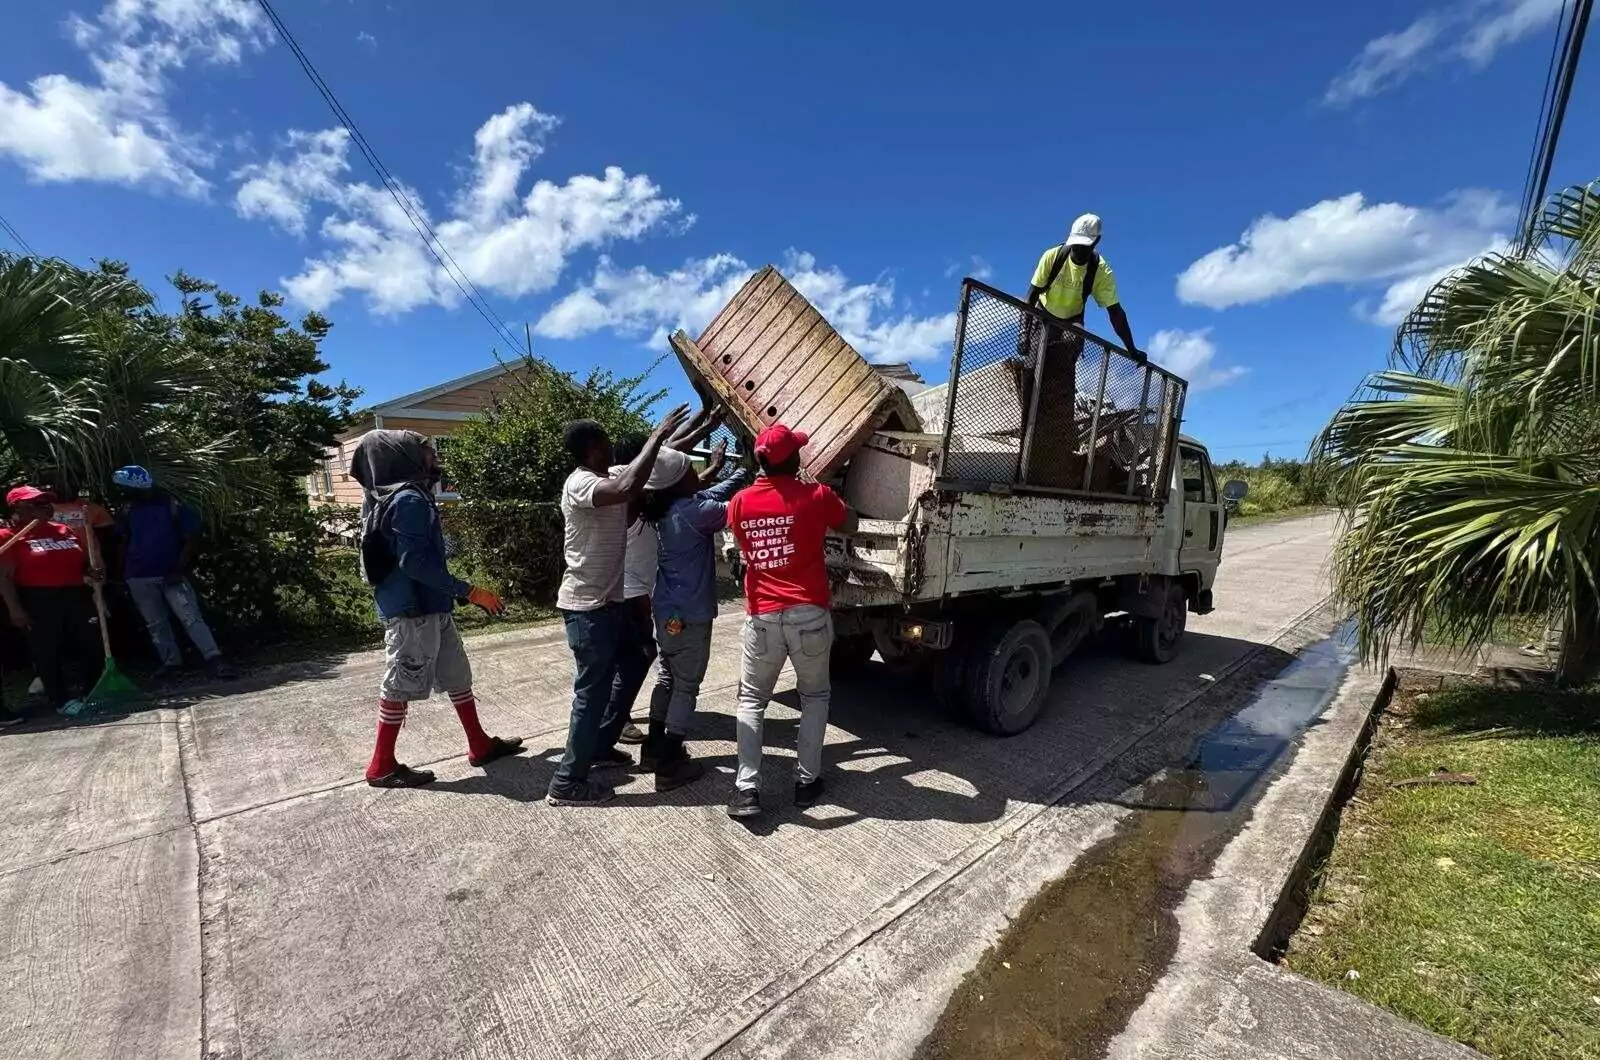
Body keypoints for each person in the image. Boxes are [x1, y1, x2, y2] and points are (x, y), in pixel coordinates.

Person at [350, 430, 524, 788]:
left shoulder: (388, 496)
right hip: (413, 612)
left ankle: (480, 744)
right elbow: (414, 563)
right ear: (406, 458)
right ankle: (380, 766)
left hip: (431, 607)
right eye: (426, 451)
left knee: (457, 674)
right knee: (399, 684)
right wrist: (471, 591)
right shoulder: (409, 500)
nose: (433, 456)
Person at [549, 404, 691, 807]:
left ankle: (600, 744)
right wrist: (655, 436)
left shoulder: (607, 473)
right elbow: (628, 485)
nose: (614, 448)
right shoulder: (580, 484)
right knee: (590, 693)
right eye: (608, 443)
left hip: (609, 603)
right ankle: (567, 781)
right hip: (587, 607)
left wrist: (688, 429)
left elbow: (653, 466)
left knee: (638, 657)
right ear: (594, 448)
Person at [724, 425, 856, 819]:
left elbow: (743, 543)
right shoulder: (816, 496)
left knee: (751, 700)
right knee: (814, 697)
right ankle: (806, 782)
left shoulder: (740, 502)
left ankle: (746, 790)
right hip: (808, 614)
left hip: (762, 616)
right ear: (795, 460)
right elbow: (850, 523)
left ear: (760, 461)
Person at [604, 408, 726, 748]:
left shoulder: (653, 500)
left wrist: (705, 422)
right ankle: (662, 752)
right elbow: (675, 461)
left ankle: (652, 744)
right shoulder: (630, 490)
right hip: (640, 596)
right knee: (650, 667)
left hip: (661, 603)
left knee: (664, 671)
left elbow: (672, 451)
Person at [635, 439, 749, 789]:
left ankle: (654, 749)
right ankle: (669, 765)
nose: (696, 474)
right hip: (691, 614)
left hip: (667, 610)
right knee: (687, 686)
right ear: (678, 480)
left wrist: (743, 469)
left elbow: (714, 491)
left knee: (668, 676)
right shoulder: (696, 512)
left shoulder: (671, 508)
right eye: (690, 470)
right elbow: (740, 506)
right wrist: (767, 480)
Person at [1015, 214, 1142, 460]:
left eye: (1085, 246)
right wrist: (1024, 334)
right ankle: (1027, 432)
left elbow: (1115, 312)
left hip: (1072, 319)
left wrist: (1132, 348)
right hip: (1043, 314)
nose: (1079, 251)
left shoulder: (1099, 269)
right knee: (1031, 371)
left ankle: (1058, 434)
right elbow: (1030, 296)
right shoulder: (1052, 256)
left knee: (1065, 368)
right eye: (1076, 245)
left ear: (1096, 243)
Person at [110, 466, 233, 680]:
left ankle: (214, 658)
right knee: (155, 622)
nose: (121, 493)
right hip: (138, 575)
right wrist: (121, 576)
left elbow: (191, 539)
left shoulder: (174, 505)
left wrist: (178, 570)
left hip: (171, 573)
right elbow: (123, 541)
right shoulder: (128, 510)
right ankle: (172, 663)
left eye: (124, 489)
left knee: (190, 617)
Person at [0, 485, 104, 720]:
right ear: (19, 508)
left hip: (76, 595)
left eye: (47, 503)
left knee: (91, 643)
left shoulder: (64, 530)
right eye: (37, 504)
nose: (45, 507)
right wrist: (15, 609)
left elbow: (82, 564)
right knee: (47, 652)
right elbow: (3, 579)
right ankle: (62, 700)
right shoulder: (9, 537)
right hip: (38, 599)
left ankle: (92, 693)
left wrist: (91, 571)